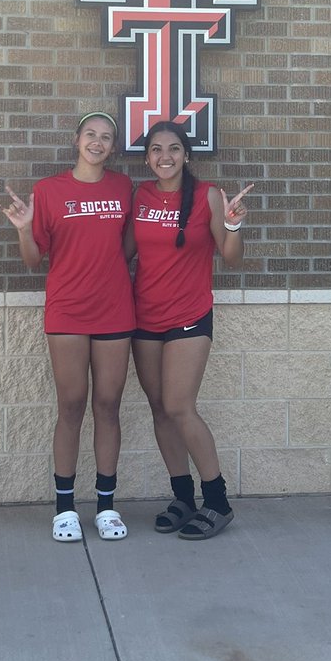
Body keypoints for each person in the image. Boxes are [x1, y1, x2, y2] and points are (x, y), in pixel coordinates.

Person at [3, 112, 135, 543]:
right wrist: (24, 230)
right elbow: (32, 260)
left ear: (113, 147)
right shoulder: (49, 191)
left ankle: (107, 507)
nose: (97, 142)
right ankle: (64, 509)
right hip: (67, 313)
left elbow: (128, 248)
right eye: (90, 135)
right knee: (72, 405)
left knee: (108, 407)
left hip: (115, 311)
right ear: (77, 140)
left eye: (106, 137)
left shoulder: (122, 188)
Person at [126, 120, 254, 541]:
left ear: (186, 155)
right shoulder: (141, 196)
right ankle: (183, 497)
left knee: (181, 406)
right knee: (160, 409)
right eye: (157, 149)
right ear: (147, 158)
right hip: (145, 317)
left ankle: (217, 500)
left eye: (174, 148)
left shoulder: (207, 195)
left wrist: (233, 225)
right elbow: (122, 252)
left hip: (189, 316)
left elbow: (231, 259)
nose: (166, 156)